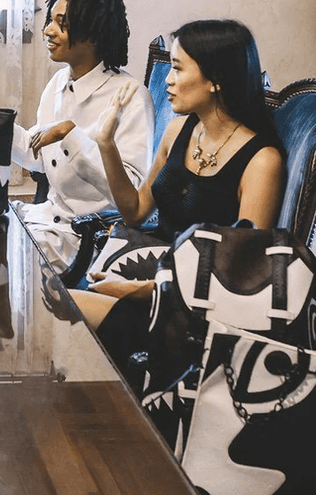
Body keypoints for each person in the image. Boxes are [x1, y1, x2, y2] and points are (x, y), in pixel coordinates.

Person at [78, 18, 285, 331]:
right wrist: (106, 144)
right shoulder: (177, 132)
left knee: (60, 308)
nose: (167, 81)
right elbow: (135, 212)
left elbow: (241, 275)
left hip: (193, 312)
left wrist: (142, 290)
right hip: (152, 276)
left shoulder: (262, 162)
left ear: (215, 80)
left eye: (177, 68)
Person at [12, 0, 155, 273]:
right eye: (50, 21)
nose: (48, 31)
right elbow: (39, 157)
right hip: (45, 221)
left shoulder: (130, 96)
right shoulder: (58, 82)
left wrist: (71, 135)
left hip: (88, 239)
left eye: (61, 24)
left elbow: (132, 194)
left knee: (2, 261)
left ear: (92, 35)